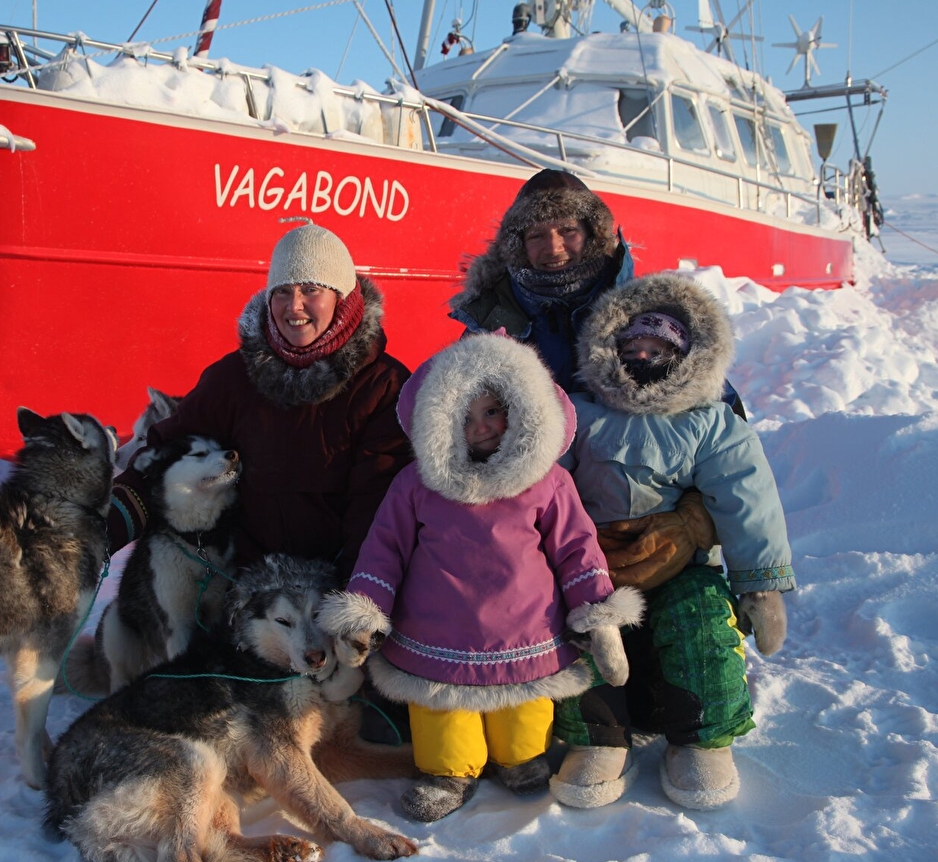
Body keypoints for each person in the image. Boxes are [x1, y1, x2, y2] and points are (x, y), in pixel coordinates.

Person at [320, 332, 644, 822]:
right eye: (465, 418)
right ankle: (449, 772)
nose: (481, 427)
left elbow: (578, 550)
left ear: (519, 410)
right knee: (443, 716)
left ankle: (520, 758)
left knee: (524, 716)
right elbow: (383, 550)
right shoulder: (416, 484)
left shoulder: (549, 482)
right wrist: (365, 612)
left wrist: (599, 616)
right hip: (436, 635)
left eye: (492, 411)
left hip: (526, 631)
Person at [550, 274, 794, 810]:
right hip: (593, 562)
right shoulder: (577, 414)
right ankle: (597, 738)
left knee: (701, 618)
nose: (641, 356)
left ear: (686, 356)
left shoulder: (708, 422)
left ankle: (701, 739)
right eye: (631, 346)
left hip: (679, 564)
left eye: (657, 349)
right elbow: (546, 483)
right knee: (576, 625)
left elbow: (744, 496)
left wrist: (759, 582)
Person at [448, 169, 743, 595]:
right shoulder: (489, 331)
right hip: (537, 543)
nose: (553, 248)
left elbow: (725, 428)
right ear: (516, 245)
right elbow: (454, 441)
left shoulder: (650, 314)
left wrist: (693, 523)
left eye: (568, 230)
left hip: (655, 526)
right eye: (535, 235)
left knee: (698, 641)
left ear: (593, 232)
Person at [105, 223, 411, 580]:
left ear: (341, 296)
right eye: (282, 291)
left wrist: (348, 603)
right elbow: (168, 452)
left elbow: (378, 510)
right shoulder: (235, 377)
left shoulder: (383, 387)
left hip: (332, 592)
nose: (294, 305)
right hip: (241, 585)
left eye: (311, 289)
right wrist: (106, 527)